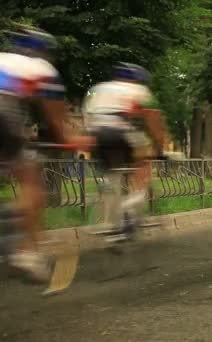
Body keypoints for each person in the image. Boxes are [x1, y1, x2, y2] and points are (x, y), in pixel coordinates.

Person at [0, 25, 91, 281]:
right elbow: (59, 126)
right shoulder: (42, 69)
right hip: (4, 112)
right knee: (32, 183)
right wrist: (75, 141)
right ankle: (28, 255)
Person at [83, 62, 167, 236]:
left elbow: (87, 118)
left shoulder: (98, 89)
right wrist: (159, 149)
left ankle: (108, 218)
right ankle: (131, 203)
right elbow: (154, 121)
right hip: (119, 132)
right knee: (144, 161)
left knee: (112, 174)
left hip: (98, 136)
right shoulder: (138, 90)